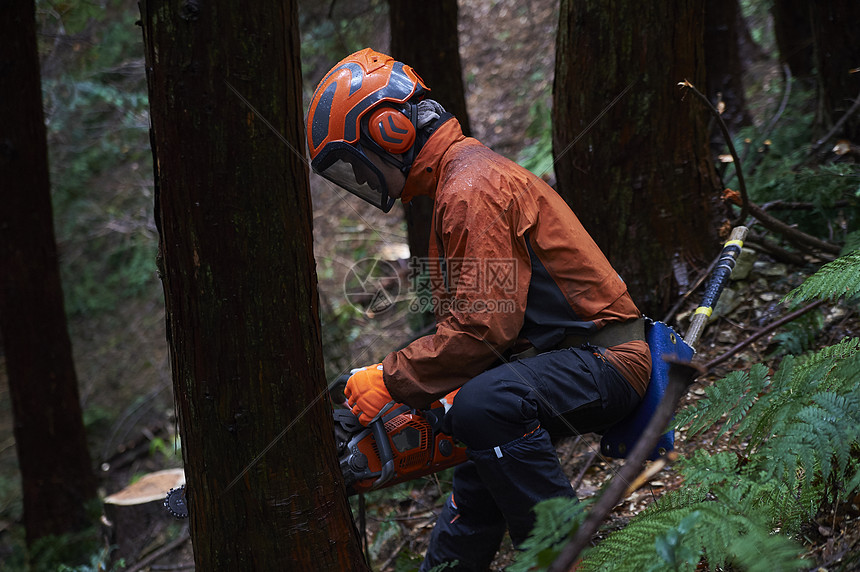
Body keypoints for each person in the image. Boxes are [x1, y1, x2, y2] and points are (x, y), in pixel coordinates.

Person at [306, 48, 651, 570]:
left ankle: (567, 558)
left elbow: (484, 327)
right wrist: (420, 396)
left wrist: (390, 379)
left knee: (483, 407)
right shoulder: (459, 182)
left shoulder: (472, 188)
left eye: (356, 162)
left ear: (390, 130)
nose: (360, 177)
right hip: (554, 362)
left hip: (605, 360)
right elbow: (478, 326)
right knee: (475, 455)